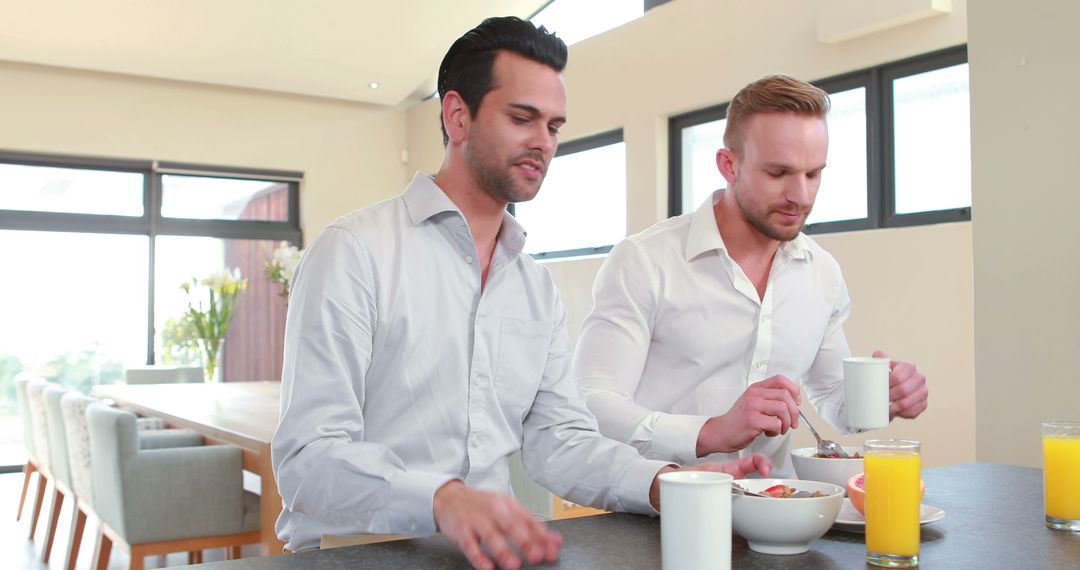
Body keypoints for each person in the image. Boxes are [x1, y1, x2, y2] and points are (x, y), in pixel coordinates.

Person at [272, 16, 770, 570]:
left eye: (554, 126)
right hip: (353, 554)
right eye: (522, 118)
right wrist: (442, 499)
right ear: (457, 115)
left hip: (486, 558)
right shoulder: (353, 253)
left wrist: (667, 483)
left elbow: (561, 441)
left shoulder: (535, 287)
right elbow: (307, 459)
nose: (544, 142)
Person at [572, 74, 929, 477]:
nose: (802, 196)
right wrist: (708, 432)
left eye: (813, 174)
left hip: (778, 513)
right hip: (657, 512)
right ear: (729, 165)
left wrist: (885, 397)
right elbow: (591, 401)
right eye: (779, 173)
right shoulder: (645, 261)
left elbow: (832, 396)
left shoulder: (823, 273)